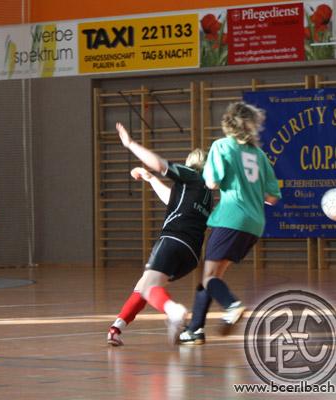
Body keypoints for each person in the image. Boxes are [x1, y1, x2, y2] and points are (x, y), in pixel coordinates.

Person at [179, 101, 281, 345]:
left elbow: (212, 182)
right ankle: (195, 330)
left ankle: (232, 305)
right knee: (212, 277)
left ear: (228, 122)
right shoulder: (259, 156)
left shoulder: (222, 146)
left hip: (231, 218)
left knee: (209, 277)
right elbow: (272, 197)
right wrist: (251, 191)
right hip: (254, 224)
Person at [107, 122, 213, 346]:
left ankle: (173, 311)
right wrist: (150, 179)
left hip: (173, 239)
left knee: (148, 287)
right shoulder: (205, 193)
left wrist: (130, 144)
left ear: (191, 164)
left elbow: (159, 163)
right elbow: (170, 200)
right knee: (145, 284)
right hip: (191, 254)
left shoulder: (191, 176)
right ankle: (116, 328)